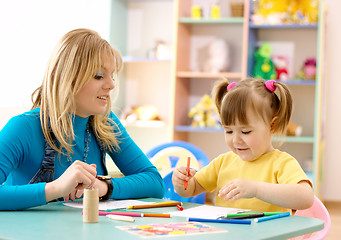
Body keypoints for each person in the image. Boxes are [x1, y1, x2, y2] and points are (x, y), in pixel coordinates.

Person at [0, 28, 164, 210]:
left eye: (112, 75)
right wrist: (54, 189)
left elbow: (154, 182)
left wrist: (103, 187)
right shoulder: (23, 127)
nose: (111, 85)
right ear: (67, 77)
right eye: (99, 76)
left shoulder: (105, 122)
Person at [172, 78, 314, 213]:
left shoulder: (281, 163)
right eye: (228, 131)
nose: (235, 140)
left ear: (272, 126)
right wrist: (181, 183)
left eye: (245, 131)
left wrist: (256, 189)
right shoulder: (223, 163)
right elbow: (192, 189)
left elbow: (306, 198)